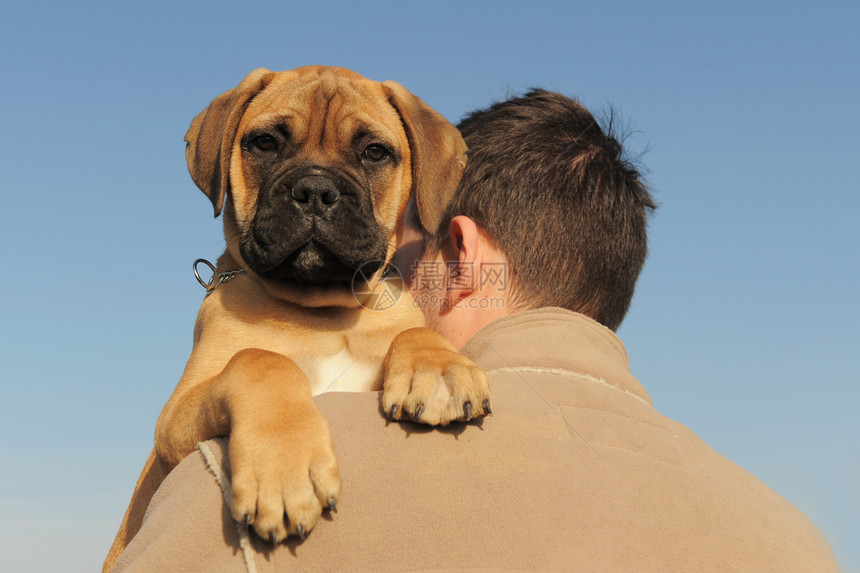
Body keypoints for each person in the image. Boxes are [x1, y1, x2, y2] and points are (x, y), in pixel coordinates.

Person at [112, 90, 839, 572]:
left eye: (397, 261)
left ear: (456, 257)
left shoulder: (250, 474)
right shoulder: (799, 539)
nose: (374, 288)